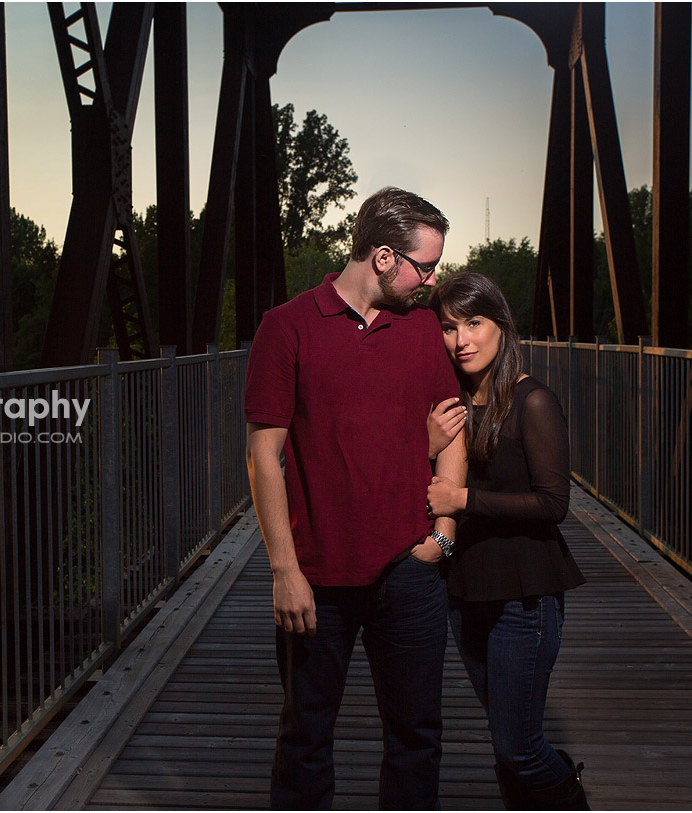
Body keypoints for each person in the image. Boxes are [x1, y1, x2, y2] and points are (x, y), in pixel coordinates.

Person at [244, 187, 468, 810]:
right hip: (316, 575)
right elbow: (264, 456)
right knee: (306, 737)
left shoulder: (421, 329)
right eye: (425, 266)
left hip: (408, 568)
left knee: (417, 738)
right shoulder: (285, 327)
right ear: (384, 257)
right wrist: (283, 570)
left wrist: (442, 533)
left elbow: (451, 428)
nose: (432, 280)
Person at [425, 271, 589, 810]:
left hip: (525, 598)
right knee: (505, 744)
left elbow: (553, 504)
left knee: (517, 746)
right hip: (466, 593)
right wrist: (426, 447)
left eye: (474, 323)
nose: (462, 340)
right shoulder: (448, 404)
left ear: (501, 325)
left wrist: (463, 500)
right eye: (449, 328)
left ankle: (570, 796)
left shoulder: (533, 402)